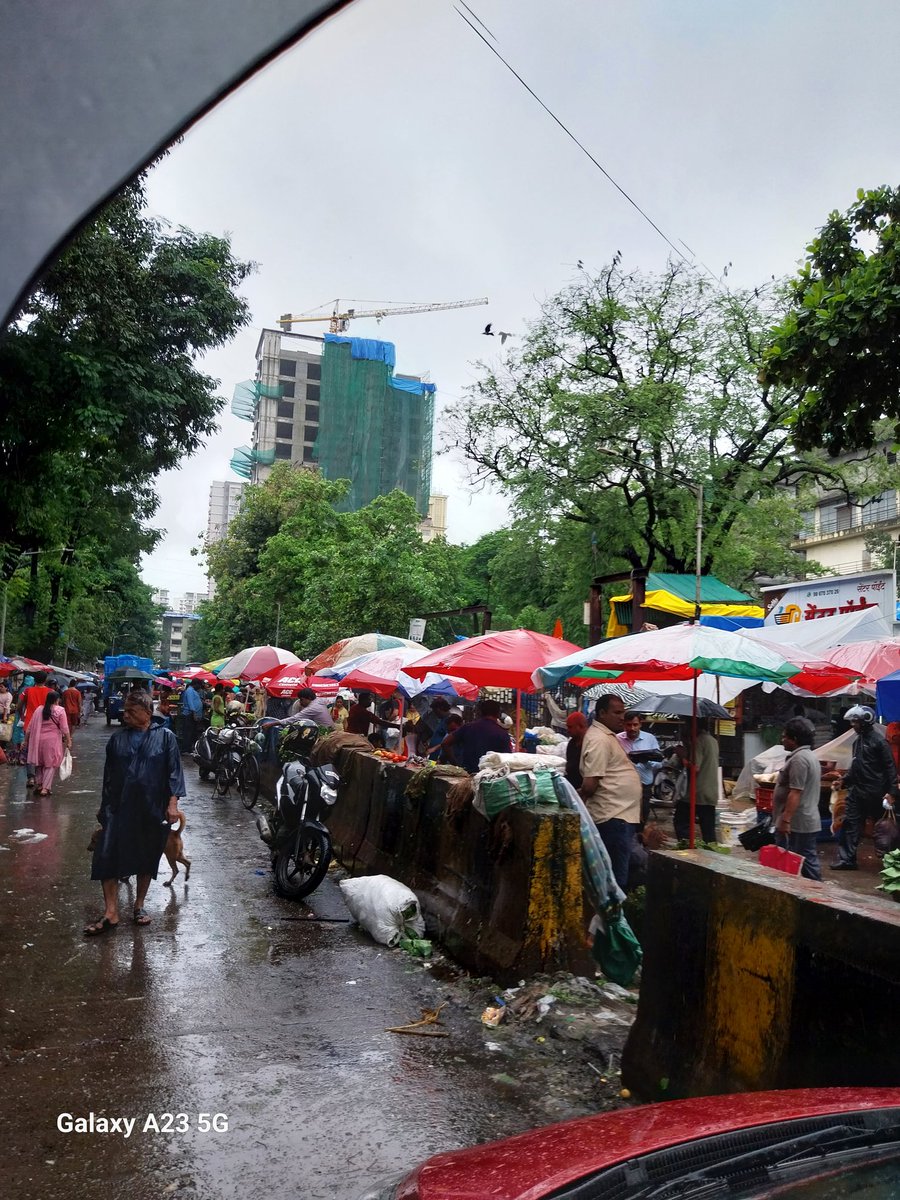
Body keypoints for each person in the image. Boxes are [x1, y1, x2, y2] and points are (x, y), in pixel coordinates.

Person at [85, 690, 185, 935]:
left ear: (147, 713)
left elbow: (174, 773)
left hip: (150, 806)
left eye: (132, 711)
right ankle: (111, 912)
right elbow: (108, 777)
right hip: (118, 807)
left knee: (146, 855)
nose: (125, 715)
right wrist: (103, 807)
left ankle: (139, 905)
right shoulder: (117, 739)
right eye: (125, 710)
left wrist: (172, 804)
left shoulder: (165, 738)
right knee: (106, 854)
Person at [579, 694, 642, 893]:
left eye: (622, 712)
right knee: (614, 878)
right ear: (602, 713)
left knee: (619, 871)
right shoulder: (599, 739)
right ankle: (611, 919)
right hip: (612, 817)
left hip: (620, 815)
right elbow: (590, 784)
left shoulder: (606, 736)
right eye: (617, 712)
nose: (622, 717)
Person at [830, 704, 898, 871]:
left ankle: (892, 861)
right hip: (858, 792)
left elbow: (890, 768)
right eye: (852, 721)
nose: (853, 724)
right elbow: (856, 767)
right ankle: (847, 860)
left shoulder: (879, 742)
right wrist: (843, 781)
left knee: (885, 828)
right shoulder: (857, 742)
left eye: (856, 721)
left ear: (866, 722)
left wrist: (891, 793)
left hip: (876, 793)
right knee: (850, 824)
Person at [772, 716, 823, 881]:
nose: (782, 740)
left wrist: (786, 820)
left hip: (798, 821)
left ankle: (819, 894)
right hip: (802, 819)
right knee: (803, 859)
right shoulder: (806, 755)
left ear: (794, 739)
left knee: (806, 861)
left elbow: (796, 792)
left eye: (785, 736)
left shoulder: (800, 759)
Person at [673, 718, 720, 844]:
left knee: (681, 821)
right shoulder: (713, 740)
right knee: (708, 830)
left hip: (696, 793)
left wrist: (683, 757)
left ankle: (686, 848)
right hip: (711, 792)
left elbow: (695, 767)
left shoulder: (698, 741)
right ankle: (712, 853)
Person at [440, 699, 511, 774]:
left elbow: (445, 743)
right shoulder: (502, 734)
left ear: (480, 712)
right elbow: (508, 759)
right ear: (498, 714)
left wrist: (456, 765)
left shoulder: (468, 727)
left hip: (467, 775)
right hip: (491, 778)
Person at [617, 710, 662, 824]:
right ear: (623, 725)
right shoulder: (617, 739)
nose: (632, 728)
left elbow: (659, 762)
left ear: (640, 724)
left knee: (642, 817)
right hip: (624, 785)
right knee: (625, 817)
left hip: (644, 785)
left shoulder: (650, 739)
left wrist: (647, 761)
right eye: (629, 725)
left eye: (635, 725)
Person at [25, 691, 72, 795]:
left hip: (38, 741)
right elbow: (64, 728)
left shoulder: (39, 710)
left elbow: (30, 727)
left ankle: (40, 784)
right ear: (57, 700)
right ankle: (45, 788)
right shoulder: (60, 710)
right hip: (52, 741)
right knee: (50, 764)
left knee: (40, 763)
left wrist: (25, 740)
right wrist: (69, 740)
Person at [20, 670, 51, 788]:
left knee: (29, 750)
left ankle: (31, 777)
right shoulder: (50, 692)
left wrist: (23, 715)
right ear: (45, 680)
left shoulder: (27, 691)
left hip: (29, 724)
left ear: (34, 680)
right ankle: (40, 779)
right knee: (42, 751)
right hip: (45, 725)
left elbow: (19, 705)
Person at [179, 676, 205, 753]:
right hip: (189, 714)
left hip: (191, 714)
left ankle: (189, 748)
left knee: (191, 732)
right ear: (196, 684)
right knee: (188, 732)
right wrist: (194, 713)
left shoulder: (192, 690)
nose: (199, 687)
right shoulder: (190, 690)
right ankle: (185, 749)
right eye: (199, 685)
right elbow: (190, 703)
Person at [564, 710, 588, 790]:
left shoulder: (590, 744)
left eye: (570, 727)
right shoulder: (572, 743)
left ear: (580, 726)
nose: (568, 730)